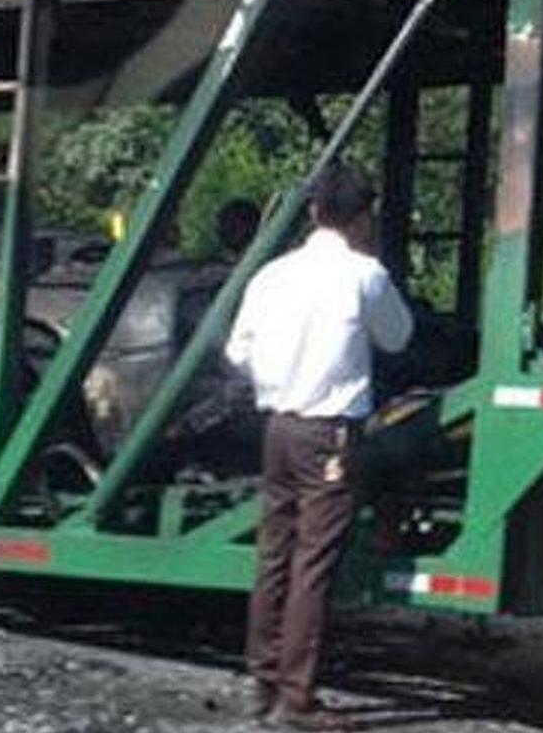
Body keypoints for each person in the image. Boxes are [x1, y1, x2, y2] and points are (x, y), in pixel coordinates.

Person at [224, 164, 414, 730]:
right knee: (314, 564)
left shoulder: (271, 276)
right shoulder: (364, 275)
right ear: (363, 218)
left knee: (275, 554)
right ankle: (298, 699)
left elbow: (237, 351)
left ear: (311, 213)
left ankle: (260, 682)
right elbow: (398, 337)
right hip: (330, 433)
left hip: (278, 427)